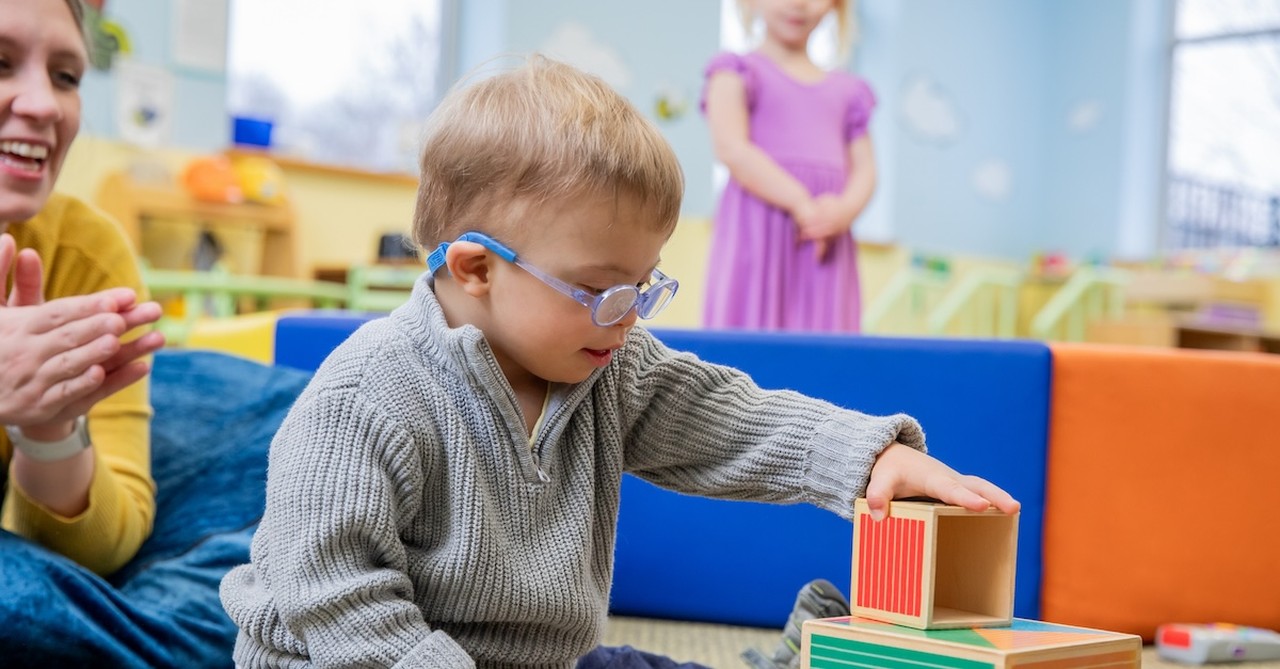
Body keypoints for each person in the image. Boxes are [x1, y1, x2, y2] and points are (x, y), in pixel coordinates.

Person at [219, 54, 1018, 669]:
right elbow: (333, 593)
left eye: (644, 285)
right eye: (601, 290)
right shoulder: (369, 395)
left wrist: (866, 456)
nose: (628, 315)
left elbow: (727, 418)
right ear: (476, 268)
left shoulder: (606, 366)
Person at [1, 0, 164, 579]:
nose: (44, 104)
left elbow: (102, 550)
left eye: (65, 77)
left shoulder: (86, 254)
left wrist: (49, 430)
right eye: (0, 62)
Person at [702, 0, 876, 332]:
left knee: (824, 346)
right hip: (757, 233)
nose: (798, 3)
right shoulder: (735, 71)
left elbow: (866, 170)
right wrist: (801, 203)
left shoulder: (850, 91)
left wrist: (843, 211)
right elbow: (732, 149)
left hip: (824, 239)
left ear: (835, 6)